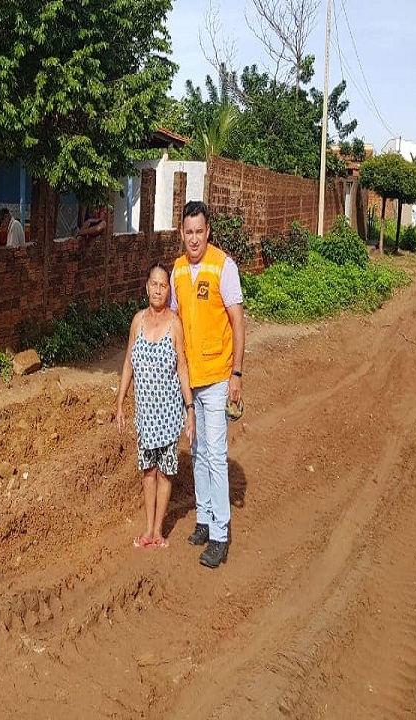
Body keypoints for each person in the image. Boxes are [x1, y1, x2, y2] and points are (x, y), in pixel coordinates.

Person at [170, 200, 245, 569]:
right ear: (181, 233)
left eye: (200, 231)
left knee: (215, 455)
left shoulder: (223, 266)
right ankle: (204, 517)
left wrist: (237, 374)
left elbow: (238, 321)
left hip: (217, 377)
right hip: (191, 380)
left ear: (208, 231)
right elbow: (174, 321)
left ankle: (219, 534)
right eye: (189, 232)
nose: (194, 238)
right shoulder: (177, 270)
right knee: (198, 452)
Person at [116, 263, 195, 549]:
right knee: (148, 472)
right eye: (154, 284)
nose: (158, 290)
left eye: (163, 285)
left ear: (168, 290)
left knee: (164, 472)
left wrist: (190, 409)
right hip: (145, 416)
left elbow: (182, 367)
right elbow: (128, 362)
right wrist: (120, 403)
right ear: (146, 286)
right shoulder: (137, 321)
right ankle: (147, 529)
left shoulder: (175, 325)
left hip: (169, 415)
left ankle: (158, 531)